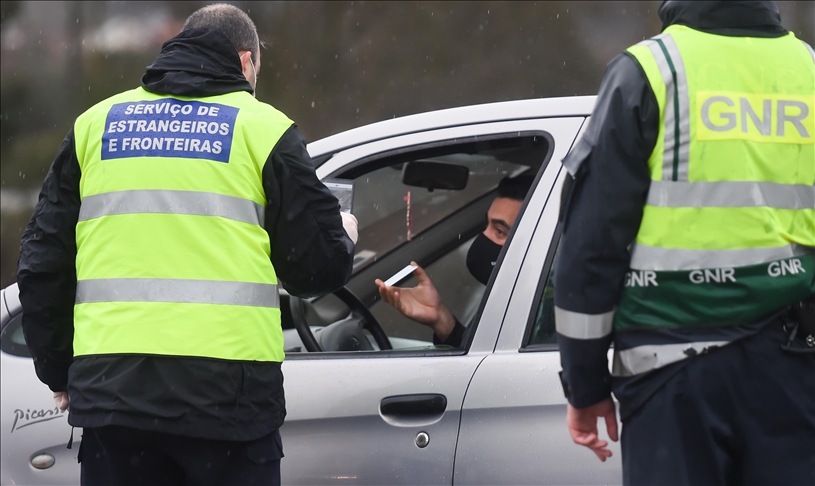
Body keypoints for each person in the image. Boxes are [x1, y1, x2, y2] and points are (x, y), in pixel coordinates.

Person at [17, 4, 358, 485]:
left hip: (115, 402)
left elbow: (42, 264)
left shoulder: (95, 125)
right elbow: (314, 271)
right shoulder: (264, 129)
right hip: (228, 406)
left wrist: (60, 371)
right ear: (246, 61)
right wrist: (343, 237)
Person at [553, 1, 814, 484]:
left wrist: (585, 385)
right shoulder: (809, 70)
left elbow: (592, 245)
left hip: (672, 373)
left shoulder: (650, 70)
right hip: (791, 372)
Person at [376, 174, 534, 347]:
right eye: (486, 225)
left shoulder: (540, 316)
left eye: (499, 231)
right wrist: (440, 319)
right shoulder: (510, 302)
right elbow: (481, 353)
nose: (483, 237)